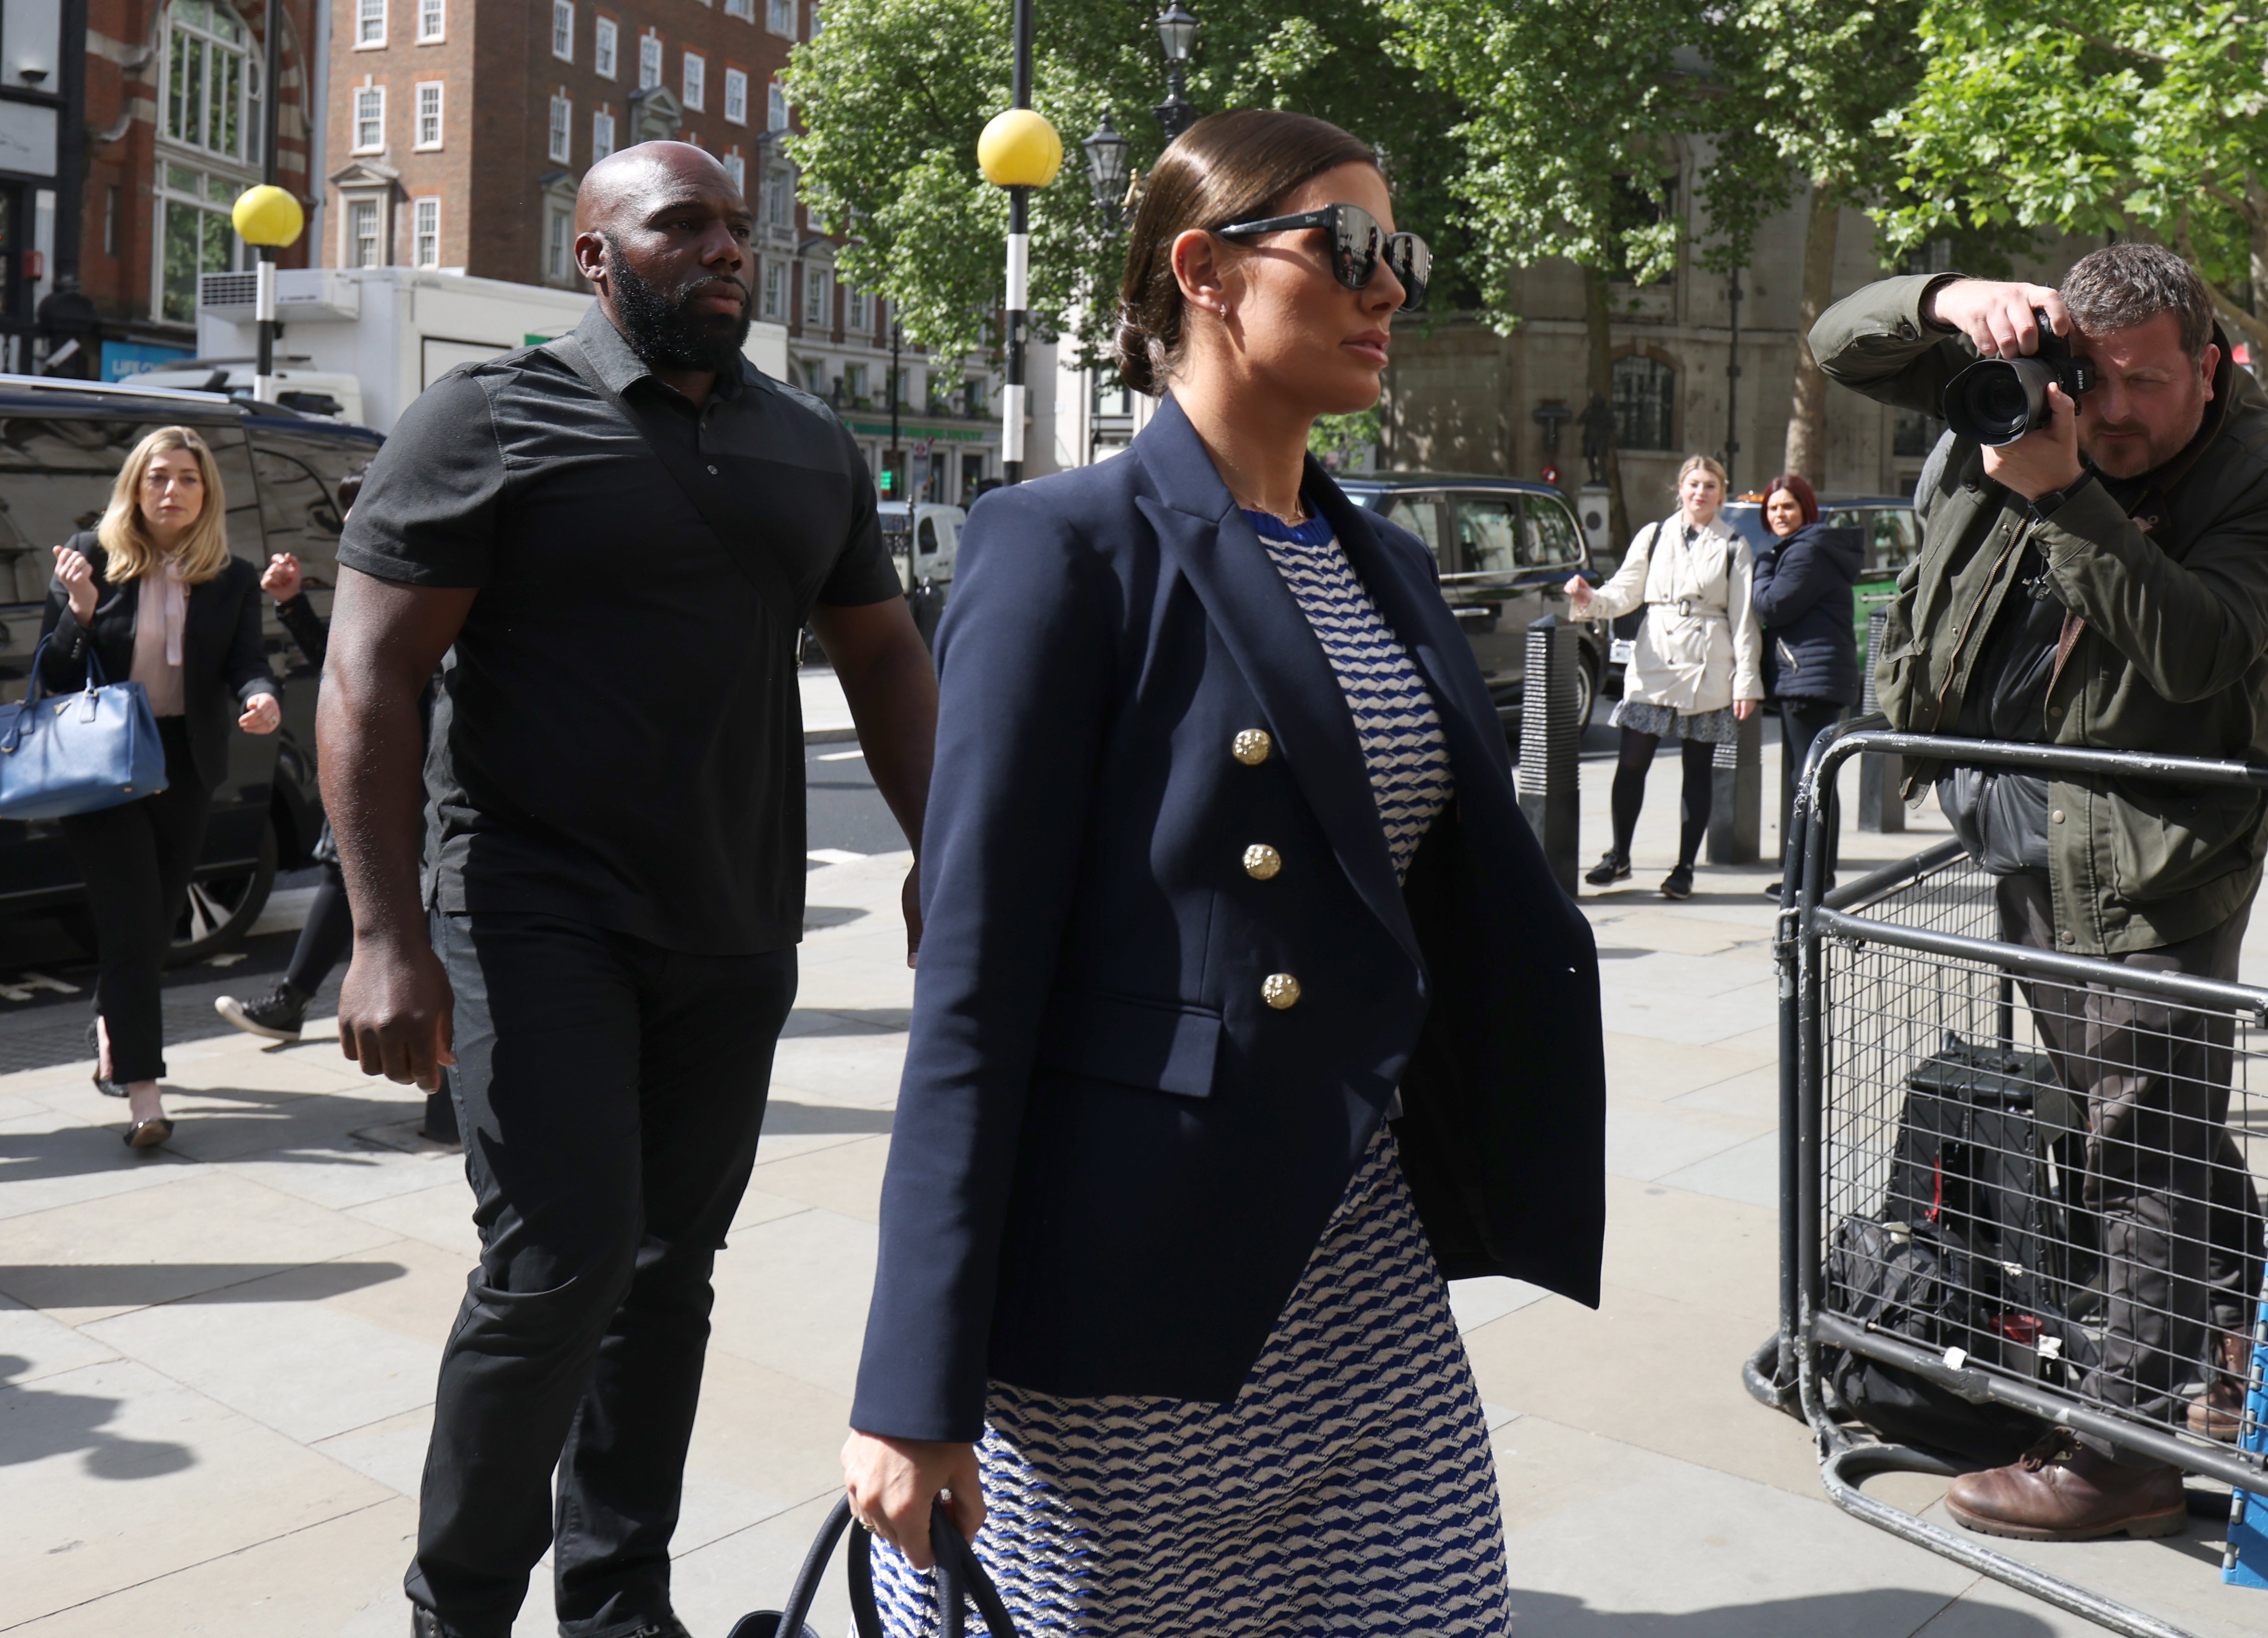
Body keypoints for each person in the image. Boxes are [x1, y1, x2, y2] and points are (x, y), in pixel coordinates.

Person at [841, 109, 1605, 1636]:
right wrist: (912, 1386)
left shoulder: (1377, 555)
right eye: (1351, 248)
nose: (1392, 288)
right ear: (1202, 270)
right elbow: (978, 983)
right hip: (1136, 1295)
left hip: (1364, 1268)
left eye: (1407, 254)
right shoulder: (1062, 544)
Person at [320, 141, 938, 1638]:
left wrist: (953, 857)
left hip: (734, 916)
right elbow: (369, 677)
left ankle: (617, 1603)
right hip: (530, 903)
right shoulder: (483, 424)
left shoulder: (808, 445)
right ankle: (458, 1609)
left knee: (667, 1274)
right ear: (593, 256)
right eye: (685, 226)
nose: (728, 248)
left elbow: (885, 659)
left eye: (738, 227)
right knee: (559, 1261)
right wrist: (388, 938)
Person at [1815, 242, 2268, 1539]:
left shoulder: (2249, 469)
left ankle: (2118, 1453)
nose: (2115, 410)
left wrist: (2068, 494)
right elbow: (1840, 344)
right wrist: (1947, 304)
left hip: (2147, 856)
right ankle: (2226, 1346)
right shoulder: (2027, 383)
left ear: (2210, 364)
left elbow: (2199, 651)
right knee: (2128, 1113)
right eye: (2095, 377)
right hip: (2026, 828)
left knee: (2142, 1134)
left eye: (2148, 384)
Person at [42, 425, 282, 1150]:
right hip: (103, 763)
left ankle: (113, 1025)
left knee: (152, 923)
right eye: (156, 477)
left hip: (184, 762)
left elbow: (247, 661)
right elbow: (54, 675)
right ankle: (144, 1092)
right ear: (134, 486)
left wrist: (262, 697)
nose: (170, 490)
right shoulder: (89, 556)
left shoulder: (232, 576)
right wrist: (79, 611)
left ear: (206, 491)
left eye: (185, 478)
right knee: (130, 924)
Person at [1566, 454, 1763, 899]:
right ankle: (1619, 855)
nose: (1700, 492)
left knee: (1696, 769)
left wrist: (1746, 683)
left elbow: (1745, 618)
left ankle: (1684, 867)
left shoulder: (1734, 545)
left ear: (1721, 492)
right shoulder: (1653, 536)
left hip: (1706, 660)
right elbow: (1622, 592)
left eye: (1710, 486)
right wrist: (1588, 597)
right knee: (1631, 760)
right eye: (1693, 484)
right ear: (1679, 489)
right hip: (1654, 657)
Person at [216, 470, 365, 1045]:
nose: (350, 535)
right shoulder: (372, 574)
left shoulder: (430, 573)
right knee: (343, 868)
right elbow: (348, 666)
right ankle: (292, 1001)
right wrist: (293, 604)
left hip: (433, 763)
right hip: (382, 757)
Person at [1748, 473, 1861, 892]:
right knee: (1815, 779)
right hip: (1815, 676)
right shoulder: (1813, 547)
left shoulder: (1805, 551)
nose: (1779, 514)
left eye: (1787, 507)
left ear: (1805, 510)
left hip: (1808, 679)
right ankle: (1813, 876)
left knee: (1809, 781)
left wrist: (1761, 566)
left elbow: (1773, 605)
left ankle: (1806, 881)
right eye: (1773, 508)